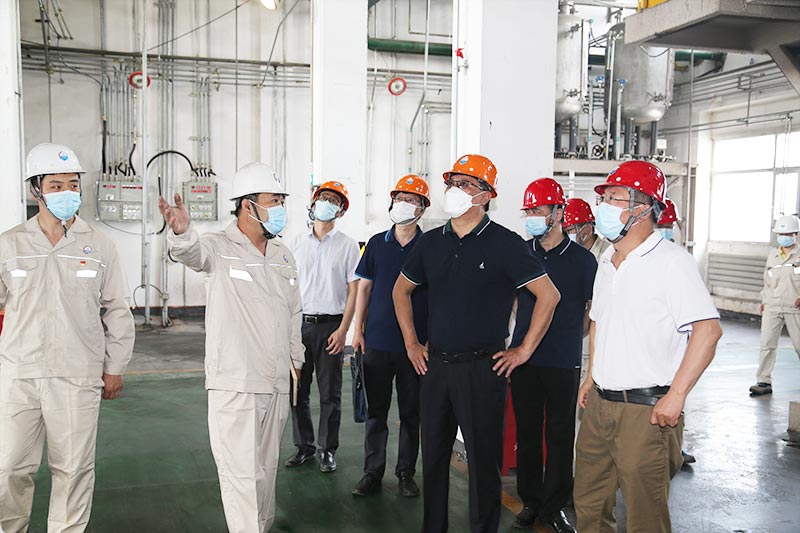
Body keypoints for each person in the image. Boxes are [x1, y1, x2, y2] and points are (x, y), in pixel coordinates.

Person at [393, 154, 560, 533]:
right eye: (452, 183)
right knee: (434, 459)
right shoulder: (431, 242)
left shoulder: (505, 244)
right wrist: (411, 343)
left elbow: (549, 295)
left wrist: (523, 350)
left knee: (484, 464)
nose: (454, 190)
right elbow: (400, 291)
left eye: (465, 184)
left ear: (485, 195)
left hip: (483, 370)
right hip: (435, 367)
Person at [574, 160, 722, 532]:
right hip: (599, 406)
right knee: (589, 504)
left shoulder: (672, 263)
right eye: (604, 198)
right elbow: (599, 321)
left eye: (613, 198)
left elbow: (707, 331)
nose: (602, 206)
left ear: (642, 208)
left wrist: (677, 395)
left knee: (645, 517)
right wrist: (591, 376)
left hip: (646, 412)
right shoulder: (606, 260)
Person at [159, 162, 304, 533]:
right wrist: (181, 232)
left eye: (282, 200)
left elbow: (294, 311)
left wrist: (296, 359)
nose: (280, 208)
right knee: (241, 476)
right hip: (236, 383)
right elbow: (191, 254)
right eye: (273, 200)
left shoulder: (282, 255)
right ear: (247, 204)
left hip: (276, 382)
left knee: (266, 472)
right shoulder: (218, 247)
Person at [0, 143, 135, 533]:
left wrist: (115, 367)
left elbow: (117, 310)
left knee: (73, 469)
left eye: (73, 185)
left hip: (77, 374)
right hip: (19, 374)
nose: (66, 193)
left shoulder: (101, 245)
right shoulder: (9, 244)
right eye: (56, 185)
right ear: (36, 190)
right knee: (9, 467)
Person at [510, 178, 596, 533]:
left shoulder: (583, 260)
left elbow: (593, 310)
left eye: (538, 210)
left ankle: (554, 507)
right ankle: (530, 502)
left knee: (560, 436)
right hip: (524, 360)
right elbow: (513, 299)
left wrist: (574, 334)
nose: (531, 216)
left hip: (563, 360)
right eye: (528, 210)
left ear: (558, 213)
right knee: (528, 434)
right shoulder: (520, 253)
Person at [351, 175, 430, 498]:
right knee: (377, 412)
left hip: (415, 348)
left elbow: (438, 297)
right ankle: (372, 472)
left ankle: (406, 473)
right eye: (400, 198)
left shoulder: (429, 246)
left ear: (422, 209)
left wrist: (429, 341)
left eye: (412, 200)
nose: (404, 205)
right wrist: (358, 330)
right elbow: (364, 288)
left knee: (412, 413)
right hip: (377, 342)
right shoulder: (375, 244)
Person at [287, 181, 360, 473]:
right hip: (300, 325)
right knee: (298, 389)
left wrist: (344, 331)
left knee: (330, 394)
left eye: (334, 200)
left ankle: (327, 450)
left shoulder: (348, 245)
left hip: (331, 327)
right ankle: (304, 446)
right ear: (313, 203)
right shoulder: (295, 243)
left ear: (341, 211)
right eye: (323, 197)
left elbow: (354, 291)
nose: (327, 203)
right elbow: (287, 287)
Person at [750, 214, 800, 396]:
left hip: (794, 307)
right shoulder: (773, 256)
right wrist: (764, 301)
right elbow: (767, 280)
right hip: (772, 305)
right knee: (767, 344)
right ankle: (763, 381)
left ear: (796, 234)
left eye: (787, 234)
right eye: (781, 234)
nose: (784, 237)